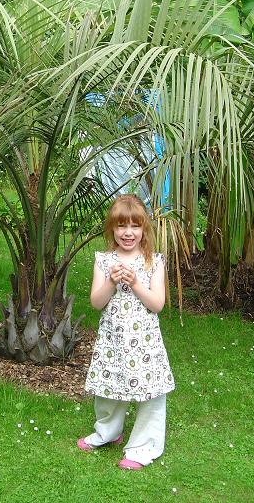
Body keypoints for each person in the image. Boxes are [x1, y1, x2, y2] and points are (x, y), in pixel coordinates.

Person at [77, 194, 175, 470]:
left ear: (144, 229)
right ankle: (108, 431)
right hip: (113, 339)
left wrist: (136, 284)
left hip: (145, 344)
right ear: (112, 229)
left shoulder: (153, 261)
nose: (128, 233)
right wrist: (111, 281)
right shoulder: (104, 260)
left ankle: (144, 446)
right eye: (121, 226)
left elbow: (157, 304)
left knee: (151, 394)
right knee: (108, 388)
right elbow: (96, 302)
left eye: (135, 226)